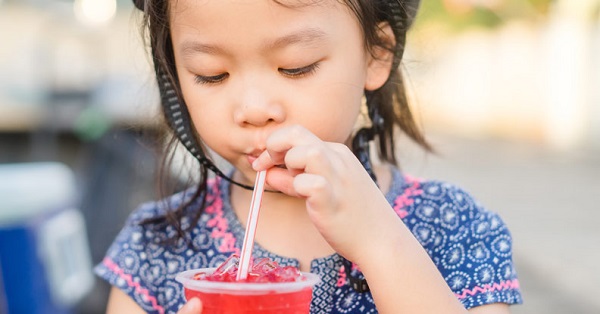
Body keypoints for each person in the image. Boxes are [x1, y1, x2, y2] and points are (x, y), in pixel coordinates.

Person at [95, 0, 523, 313]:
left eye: (295, 66)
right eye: (212, 74)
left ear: (377, 52)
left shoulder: (452, 228)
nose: (254, 108)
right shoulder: (155, 247)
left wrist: (379, 241)